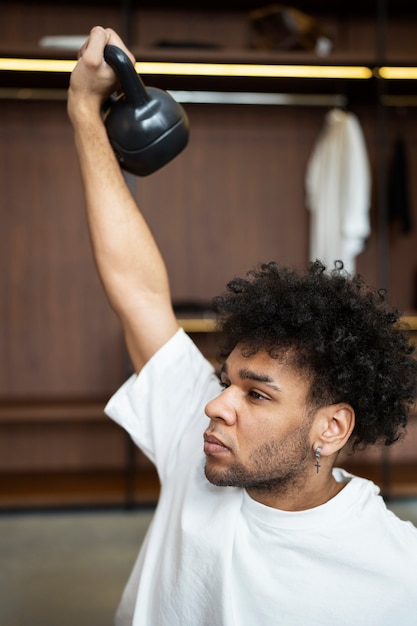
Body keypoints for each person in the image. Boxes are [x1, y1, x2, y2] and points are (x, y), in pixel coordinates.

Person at [67, 26, 417, 626]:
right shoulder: (203, 439)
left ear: (330, 427)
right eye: (225, 381)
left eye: (257, 393)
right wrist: (83, 113)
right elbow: (139, 291)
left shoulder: (395, 572)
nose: (215, 406)